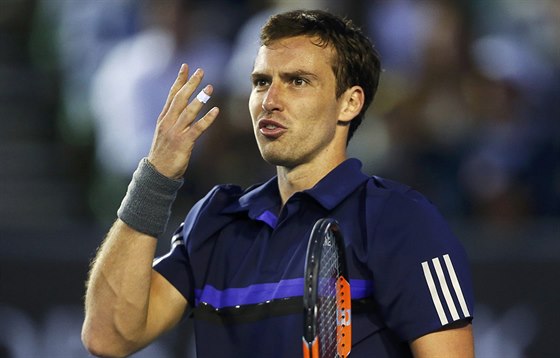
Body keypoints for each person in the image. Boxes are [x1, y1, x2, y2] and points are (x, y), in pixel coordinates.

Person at [81, 9, 475, 357]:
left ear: (350, 103)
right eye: (260, 81)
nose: (270, 99)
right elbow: (108, 336)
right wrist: (156, 177)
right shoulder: (215, 221)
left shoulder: (400, 219)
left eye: (297, 81)